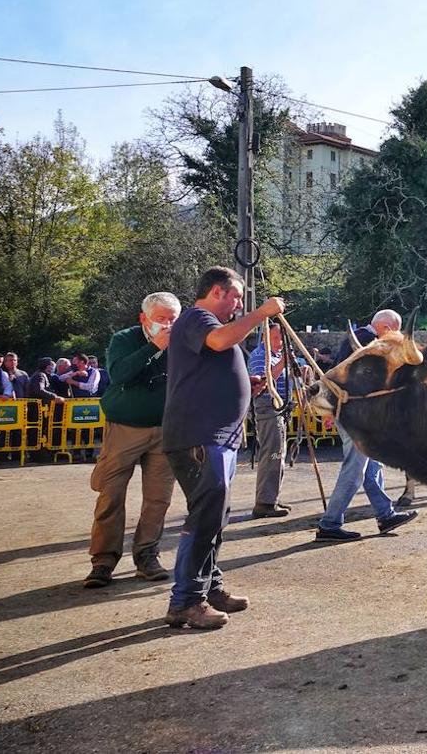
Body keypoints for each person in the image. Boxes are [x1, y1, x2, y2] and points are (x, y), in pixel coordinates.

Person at [162, 267, 285, 630]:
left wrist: (249, 384)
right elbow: (218, 342)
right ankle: (185, 600)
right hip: (200, 437)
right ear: (217, 292)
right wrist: (261, 313)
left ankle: (209, 588)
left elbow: (213, 364)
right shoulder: (196, 317)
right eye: (235, 298)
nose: (238, 305)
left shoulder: (204, 324)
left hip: (217, 437)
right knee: (204, 518)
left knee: (216, 516)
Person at [84, 292, 181, 589]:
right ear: (144, 318)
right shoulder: (124, 339)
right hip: (123, 428)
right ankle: (103, 561)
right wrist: (155, 347)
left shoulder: (183, 341)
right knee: (111, 494)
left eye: (172, 319)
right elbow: (119, 373)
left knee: (158, 498)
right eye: (160, 319)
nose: (167, 325)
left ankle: (147, 556)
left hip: (165, 430)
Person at [315, 310, 420, 543]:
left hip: (352, 412)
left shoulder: (357, 340)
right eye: (393, 331)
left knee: (372, 467)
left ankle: (385, 515)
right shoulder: (369, 343)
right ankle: (329, 524)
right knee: (355, 470)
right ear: (386, 329)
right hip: (356, 416)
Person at [247, 322, 292, 518]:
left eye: (281, 338)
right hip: (268, 408)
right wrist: (284, 362)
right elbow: (265, 382)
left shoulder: (275, 355)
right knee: (272, 454)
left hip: (280, 408)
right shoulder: (260, 356)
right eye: (275, 337)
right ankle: (264, 502)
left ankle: (271, 497)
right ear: (265, 337)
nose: (280, 341)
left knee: (278, 455)